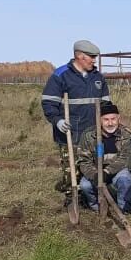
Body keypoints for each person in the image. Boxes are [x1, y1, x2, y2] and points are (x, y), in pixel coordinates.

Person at [41, 39, 111, 200]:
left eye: (95, 57)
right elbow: (49, 102)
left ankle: (91, 195)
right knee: (71, 168)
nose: (94, 60)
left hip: (94, 133)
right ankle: (71, 196)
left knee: (94, 164)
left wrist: (107, 122)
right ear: (79, 56)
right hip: (70, 132)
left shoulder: (98, 77)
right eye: (91, 56)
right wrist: (57, 120)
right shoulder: (61, 75)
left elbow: (106, 104)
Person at [76, 102, 131, 212]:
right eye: (106, 120)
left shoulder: (126, 134)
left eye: (113, 119)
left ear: (119, 118)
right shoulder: (88, 135)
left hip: (117, 170)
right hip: (96, 171)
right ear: (99, 120)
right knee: (85, 186)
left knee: (125, 179)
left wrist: (107, 172)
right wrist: (95, 175)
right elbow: (83, 161)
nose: (110, 123)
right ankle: (97, 207)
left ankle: (123, 207)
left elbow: (126, 158)